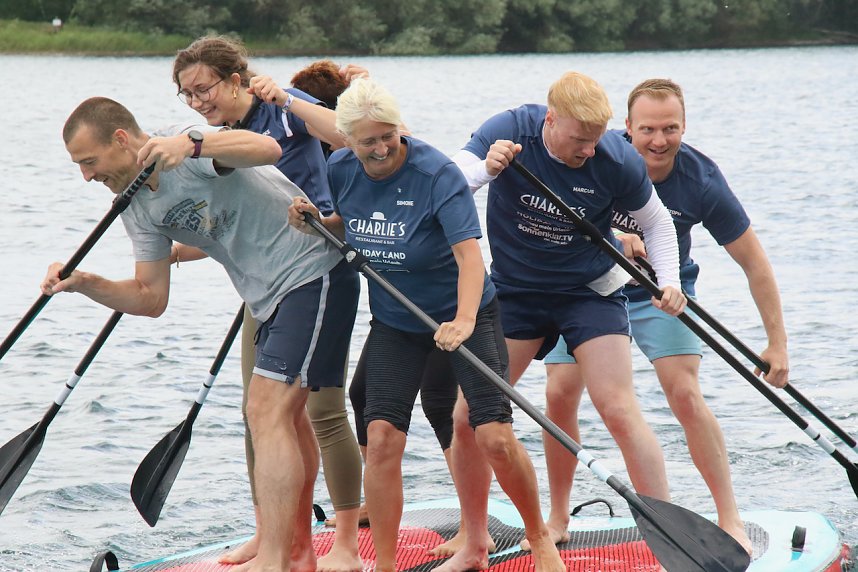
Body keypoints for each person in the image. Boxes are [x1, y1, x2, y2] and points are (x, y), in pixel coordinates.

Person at [44, 96, 359, 572]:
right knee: (285, 420)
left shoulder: (184, 148)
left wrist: (192, 142)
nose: (86, 176)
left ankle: (275, 559)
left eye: (89, 162)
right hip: (268, 297)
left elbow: (267, 148)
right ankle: (297, 553)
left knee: (265, 409)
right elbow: (151, 298)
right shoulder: (134, 208)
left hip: (312, 271)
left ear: (121, 140)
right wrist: (85, 283)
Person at [289, 77, 565, 572]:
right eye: (367, 140)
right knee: (381, 437)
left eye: (387, 135)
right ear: (347, 140)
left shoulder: (436, 174)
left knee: (494, 436)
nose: (379, 148)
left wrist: (461, 321)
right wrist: (316, 219)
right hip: (396, 320)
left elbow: (470, 259)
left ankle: (539, 537)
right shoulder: (340, 168)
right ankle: (387, 565)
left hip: (467, 312)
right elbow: (354, 221)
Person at [540, 78, 789, 553]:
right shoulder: (597, 155)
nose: (659, 141)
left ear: (684, 126)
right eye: (648, 129)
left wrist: (776, 343)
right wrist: (613, 233)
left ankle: (729, 517)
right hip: (584, 289)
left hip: (662, 293)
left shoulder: (702, 180)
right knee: (559, 393)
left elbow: (755, 264)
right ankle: (556, 516)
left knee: (685, 393)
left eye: (670, 128)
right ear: (626, 129)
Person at [451, 71, 687, 552]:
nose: (590, 151)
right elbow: (449, 184)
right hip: (517, 292)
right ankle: (471, 535)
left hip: (588, 291)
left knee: (618, 407)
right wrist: (486, 170)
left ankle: (671, 537)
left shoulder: (616, 158)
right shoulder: (511, 129)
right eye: (580, 140)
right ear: (551, 120)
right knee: (467, 415)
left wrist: (670, 282)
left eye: (596, 140)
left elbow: (657, 223)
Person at [169, 36, 366, 571]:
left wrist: (286, 98)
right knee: (262, 416)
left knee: (322, 413)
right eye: (186, 95)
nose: (196, 102)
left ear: (236, 80)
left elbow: (348, 135)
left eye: (203, 88)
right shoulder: (219, 140)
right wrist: (165, 254)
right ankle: (273, 534)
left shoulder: (283, 116)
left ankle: (346, 541)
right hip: (263, 285)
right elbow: (223, 223)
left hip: (316, 268)